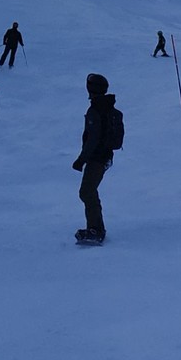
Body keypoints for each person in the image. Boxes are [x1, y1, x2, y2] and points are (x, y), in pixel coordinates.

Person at [70, 73, 123, 243]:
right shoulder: (110, 109)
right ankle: (96, 227)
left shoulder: (95, 110)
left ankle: (96, 229)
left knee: (87, 191)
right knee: (89, 191)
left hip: (97, 157)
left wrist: (81, 160)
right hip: (105, 155)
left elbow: (92, 138)